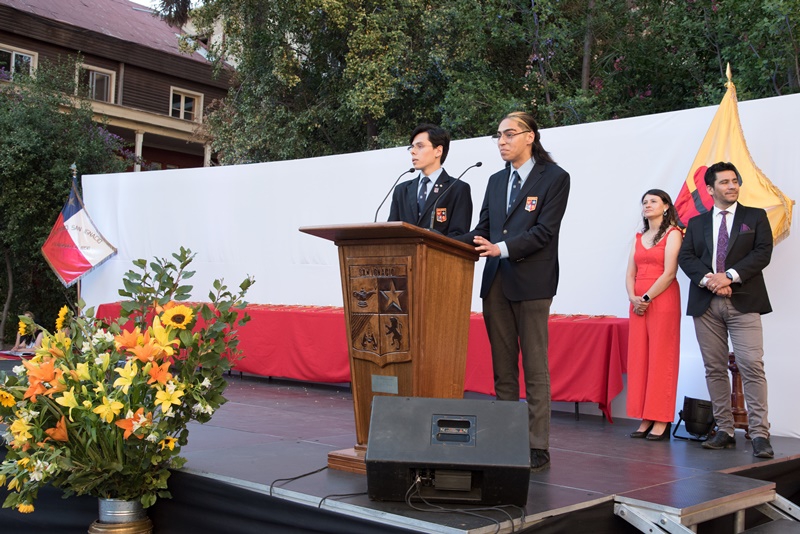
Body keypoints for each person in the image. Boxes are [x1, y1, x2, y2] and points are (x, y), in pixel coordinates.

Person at [457, 111, 570, 471]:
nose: (502, 141)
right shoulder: (495, 180)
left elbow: (544, 232)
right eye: (498, 135)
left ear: (529, 136)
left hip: (532, 282)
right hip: (496, 283)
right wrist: (440, 241)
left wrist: (500, 248)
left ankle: (537, 444)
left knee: (535, 368)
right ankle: (506, 438)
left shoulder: (555, 177)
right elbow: (483, 229)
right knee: (503, 369)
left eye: (509, 134)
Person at [678, 161, 774, 458]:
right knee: (714, 368)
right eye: (724, 182)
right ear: (710, 189)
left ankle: (759, 434)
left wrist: (729, 276)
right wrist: (711, 280)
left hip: (744, 300)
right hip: (706, 303)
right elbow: (687, 257)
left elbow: (763, 252)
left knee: (751, 365)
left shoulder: (755, 216)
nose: (732, 186)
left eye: (735, 181)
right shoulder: (696, 223)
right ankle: (724, 429)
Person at [626, 190, 682, 441]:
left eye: (653, 201)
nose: (647, 205)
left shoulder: (673, 233)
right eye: (645, 202)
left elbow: (669, 273)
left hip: (662, 300)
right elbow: (630, 273)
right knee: (640, 358)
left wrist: (646, 298)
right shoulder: (639, 237)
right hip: (638, 303)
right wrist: (633, 298)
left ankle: (661, 418)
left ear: (666, 206)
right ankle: (645, 416)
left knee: (661, 357)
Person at [388, 123, 472, 237]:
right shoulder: (402, 190)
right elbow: (392, 232)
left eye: (420, 146)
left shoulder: (457, 188)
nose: (413, 151)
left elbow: (458, 235)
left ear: (438, 151)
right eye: (411, 147)